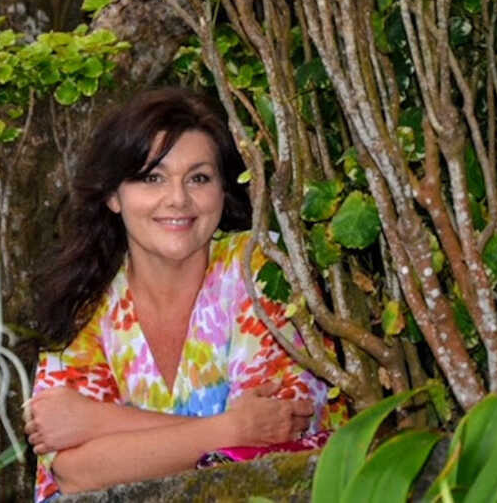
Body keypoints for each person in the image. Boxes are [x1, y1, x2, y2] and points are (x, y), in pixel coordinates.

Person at [25, 87, 343, 501]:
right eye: (152, 177)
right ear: (112, 196)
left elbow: (274, 440)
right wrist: (230, 427)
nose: (177, 199)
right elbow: (75, 473)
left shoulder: (260, 271)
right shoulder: (84, 302)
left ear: (221, 191)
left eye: (198, 178)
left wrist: (96, 421)